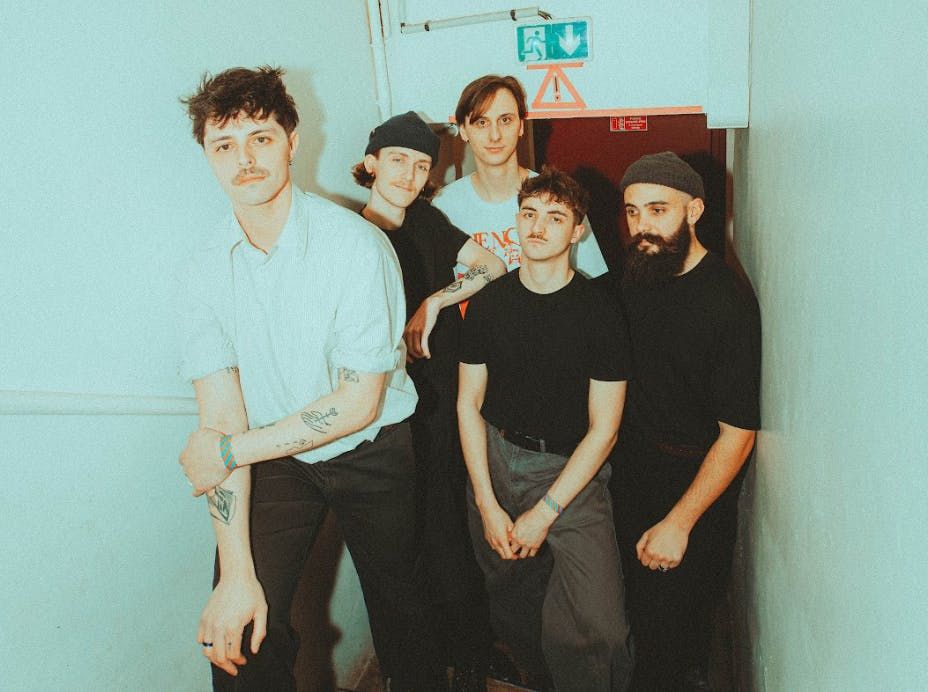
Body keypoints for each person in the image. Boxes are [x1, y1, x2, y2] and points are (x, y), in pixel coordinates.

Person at [175, 66, 445, 691]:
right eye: (224, 145)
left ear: (292, 143)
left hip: (373, 447)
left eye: (260, 138)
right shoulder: (200, 272)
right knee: (239, 630)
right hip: (276, 458)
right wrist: (236, 575)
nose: (244, 159)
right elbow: (221, 418)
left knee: (403, 611)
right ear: (208, 157)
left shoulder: (356, 247)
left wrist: (228, 451)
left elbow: (357, 403)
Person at [457, 167, 634, 692]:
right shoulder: (490, 303)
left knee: (601, 627)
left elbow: (604, 430)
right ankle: (538, 678)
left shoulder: (601, 311)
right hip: (494, 461)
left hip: (570, 472)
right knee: (513, 599)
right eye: (529, 214)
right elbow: (468, 403)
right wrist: (487, 503)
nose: (537, 226)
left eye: (555, 217)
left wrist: (545, 512)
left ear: (577, 231)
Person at [353, 111, 506, 691]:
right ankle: (421, 665)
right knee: (400, 546)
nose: (410, 175)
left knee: (446, 533)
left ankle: (470, 657)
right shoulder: (350, 237)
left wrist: (436, 301)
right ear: (371, 164)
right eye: (399, 160)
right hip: (381, 412)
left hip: (438, 403)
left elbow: (491, 265)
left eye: (422, 166)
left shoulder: (427, 221)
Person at [600, 152, 761, 690]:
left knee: (674, 640)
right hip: (631, 473)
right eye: (632, 211)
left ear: (693, 211)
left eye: (658, 209)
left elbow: (738, 435)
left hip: (692, 488)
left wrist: (680, 523)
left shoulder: (726, 302)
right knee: (635, 617)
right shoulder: (638, 273)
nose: (641, 226)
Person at [433, 74, 608, 282]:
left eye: (505, 120)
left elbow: (593, 285)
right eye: (481, 122)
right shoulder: (443, 206)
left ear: (521, 126)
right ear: (463, 130)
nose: (495, 135)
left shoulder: (560, 197)